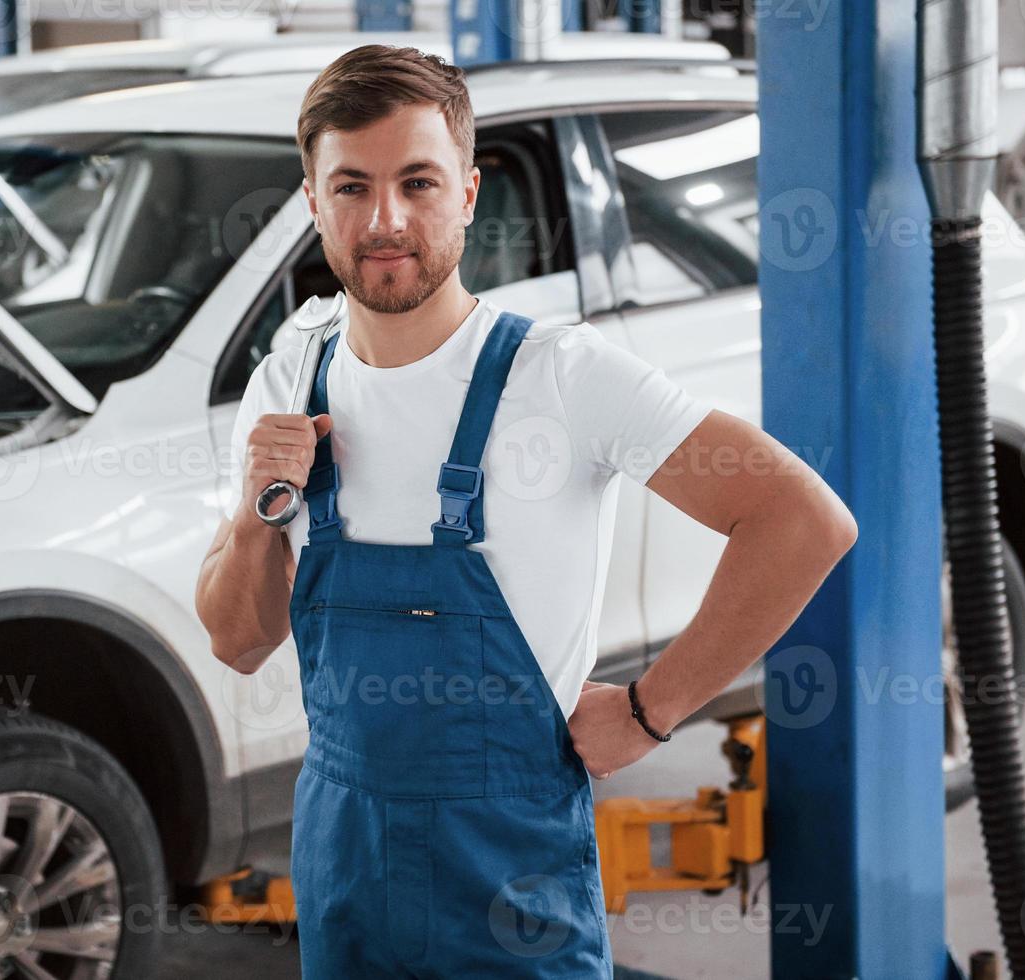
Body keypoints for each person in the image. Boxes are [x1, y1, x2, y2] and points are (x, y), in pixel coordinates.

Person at [195, 44, 857, 979]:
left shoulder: (561, 376)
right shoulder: (287, 379)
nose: (384, 220)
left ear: (468, 194)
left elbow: (803, 519)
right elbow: (236, 639)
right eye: (351, 187)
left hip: (510, 885)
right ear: (313, 203)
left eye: (416, 182)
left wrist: (649, 710)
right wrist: (263, 513)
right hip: (342, 867)